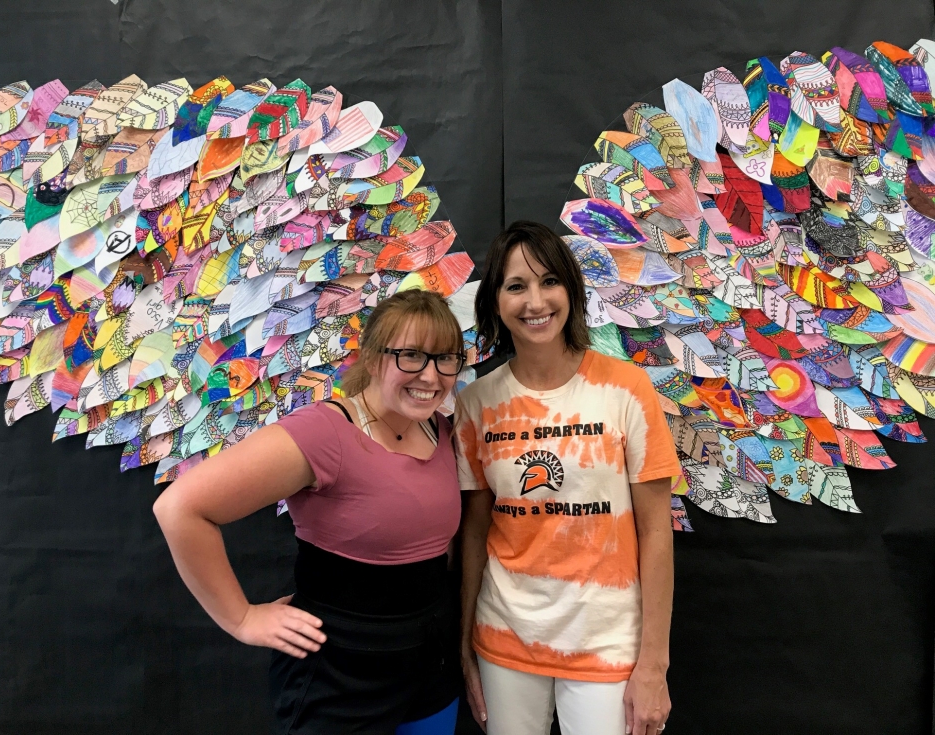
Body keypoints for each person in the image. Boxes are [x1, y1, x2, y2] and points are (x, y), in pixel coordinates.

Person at [153, 289, 468, 735]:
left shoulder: (442, 429)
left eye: (445, 358)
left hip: (431, 665)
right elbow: (180, 507)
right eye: (411, 355)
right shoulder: (324, 433)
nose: (431, 375)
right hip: (341, 673)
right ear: (375, 358)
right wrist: (241, 618)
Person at [455, 221, 680, 735]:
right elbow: (473, 532)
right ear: (494, 303)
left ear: (572, 291)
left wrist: (654, 665)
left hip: (607, 643)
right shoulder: (475, 404)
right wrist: (465, 643)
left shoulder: (626, 389)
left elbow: (655, 532)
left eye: (549, 281)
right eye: (516, 286)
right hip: (505, 640)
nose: (536, 300)